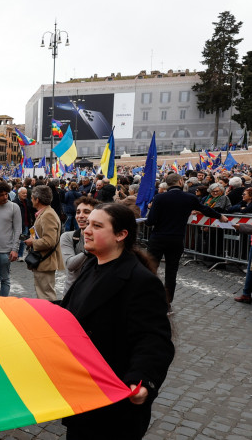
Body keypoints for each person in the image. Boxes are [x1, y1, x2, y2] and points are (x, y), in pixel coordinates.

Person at [60, 203, 175, 439]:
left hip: (115, 402)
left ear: (121, 235)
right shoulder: (92, 263)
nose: (87, 230)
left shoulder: (139, 280)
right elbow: (71, 311)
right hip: (83, 392)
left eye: (97, 225)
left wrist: (141, 380)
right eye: (88, 224)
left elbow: (154, 338)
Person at [146, 172, 226, 305]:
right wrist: (220, 216)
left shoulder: (159, 198)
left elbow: (150, 221)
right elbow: (205, 209)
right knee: (171, 271)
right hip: (176, 239)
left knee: (150, 268)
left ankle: (148, 297)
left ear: (168, 184)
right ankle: (167, 301)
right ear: (180, 182)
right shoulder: (189, 198)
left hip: (158, 238)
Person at [24, 184, 64, 301]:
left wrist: (32, 242)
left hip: (46, 261)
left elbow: (49, 241)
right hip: (43, 261)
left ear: (37, 199)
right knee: (43, 293)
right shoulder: (45, 213)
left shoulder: (48, 215)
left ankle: (49, 318)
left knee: (46, 295)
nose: (31, 200)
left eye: (32, 198)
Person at [60, 196, 98, 291]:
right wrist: (88, 250)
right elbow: (70, 265)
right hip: (71, 293)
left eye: (86, 212)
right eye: (78, 212)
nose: (80, 215)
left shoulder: (102, 239)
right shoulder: (67, 236)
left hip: (93, 291)